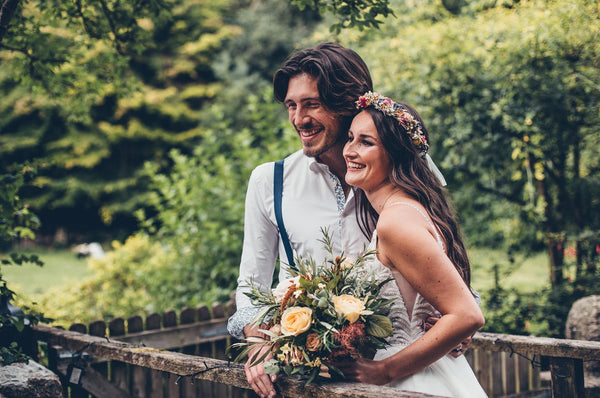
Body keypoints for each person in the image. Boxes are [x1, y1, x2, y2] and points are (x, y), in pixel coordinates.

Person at [227, 43, 472, 398]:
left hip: (398, 376)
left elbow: (450, 281)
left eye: (311, 104)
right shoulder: (270, 182)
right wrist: (258, 341)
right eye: (291, 106)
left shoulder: (397, 188)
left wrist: (460, 325)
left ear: (347, 103)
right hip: (309, 381)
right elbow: (250, 289)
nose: (298, 119)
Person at [336, 91, 486, 396]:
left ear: (396, 154)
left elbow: (467, 314)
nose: (350, 150)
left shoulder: (396, 222)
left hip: (412, 380)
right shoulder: (410, 210)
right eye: (350, 138)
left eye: (366, 142)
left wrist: (385, 369)